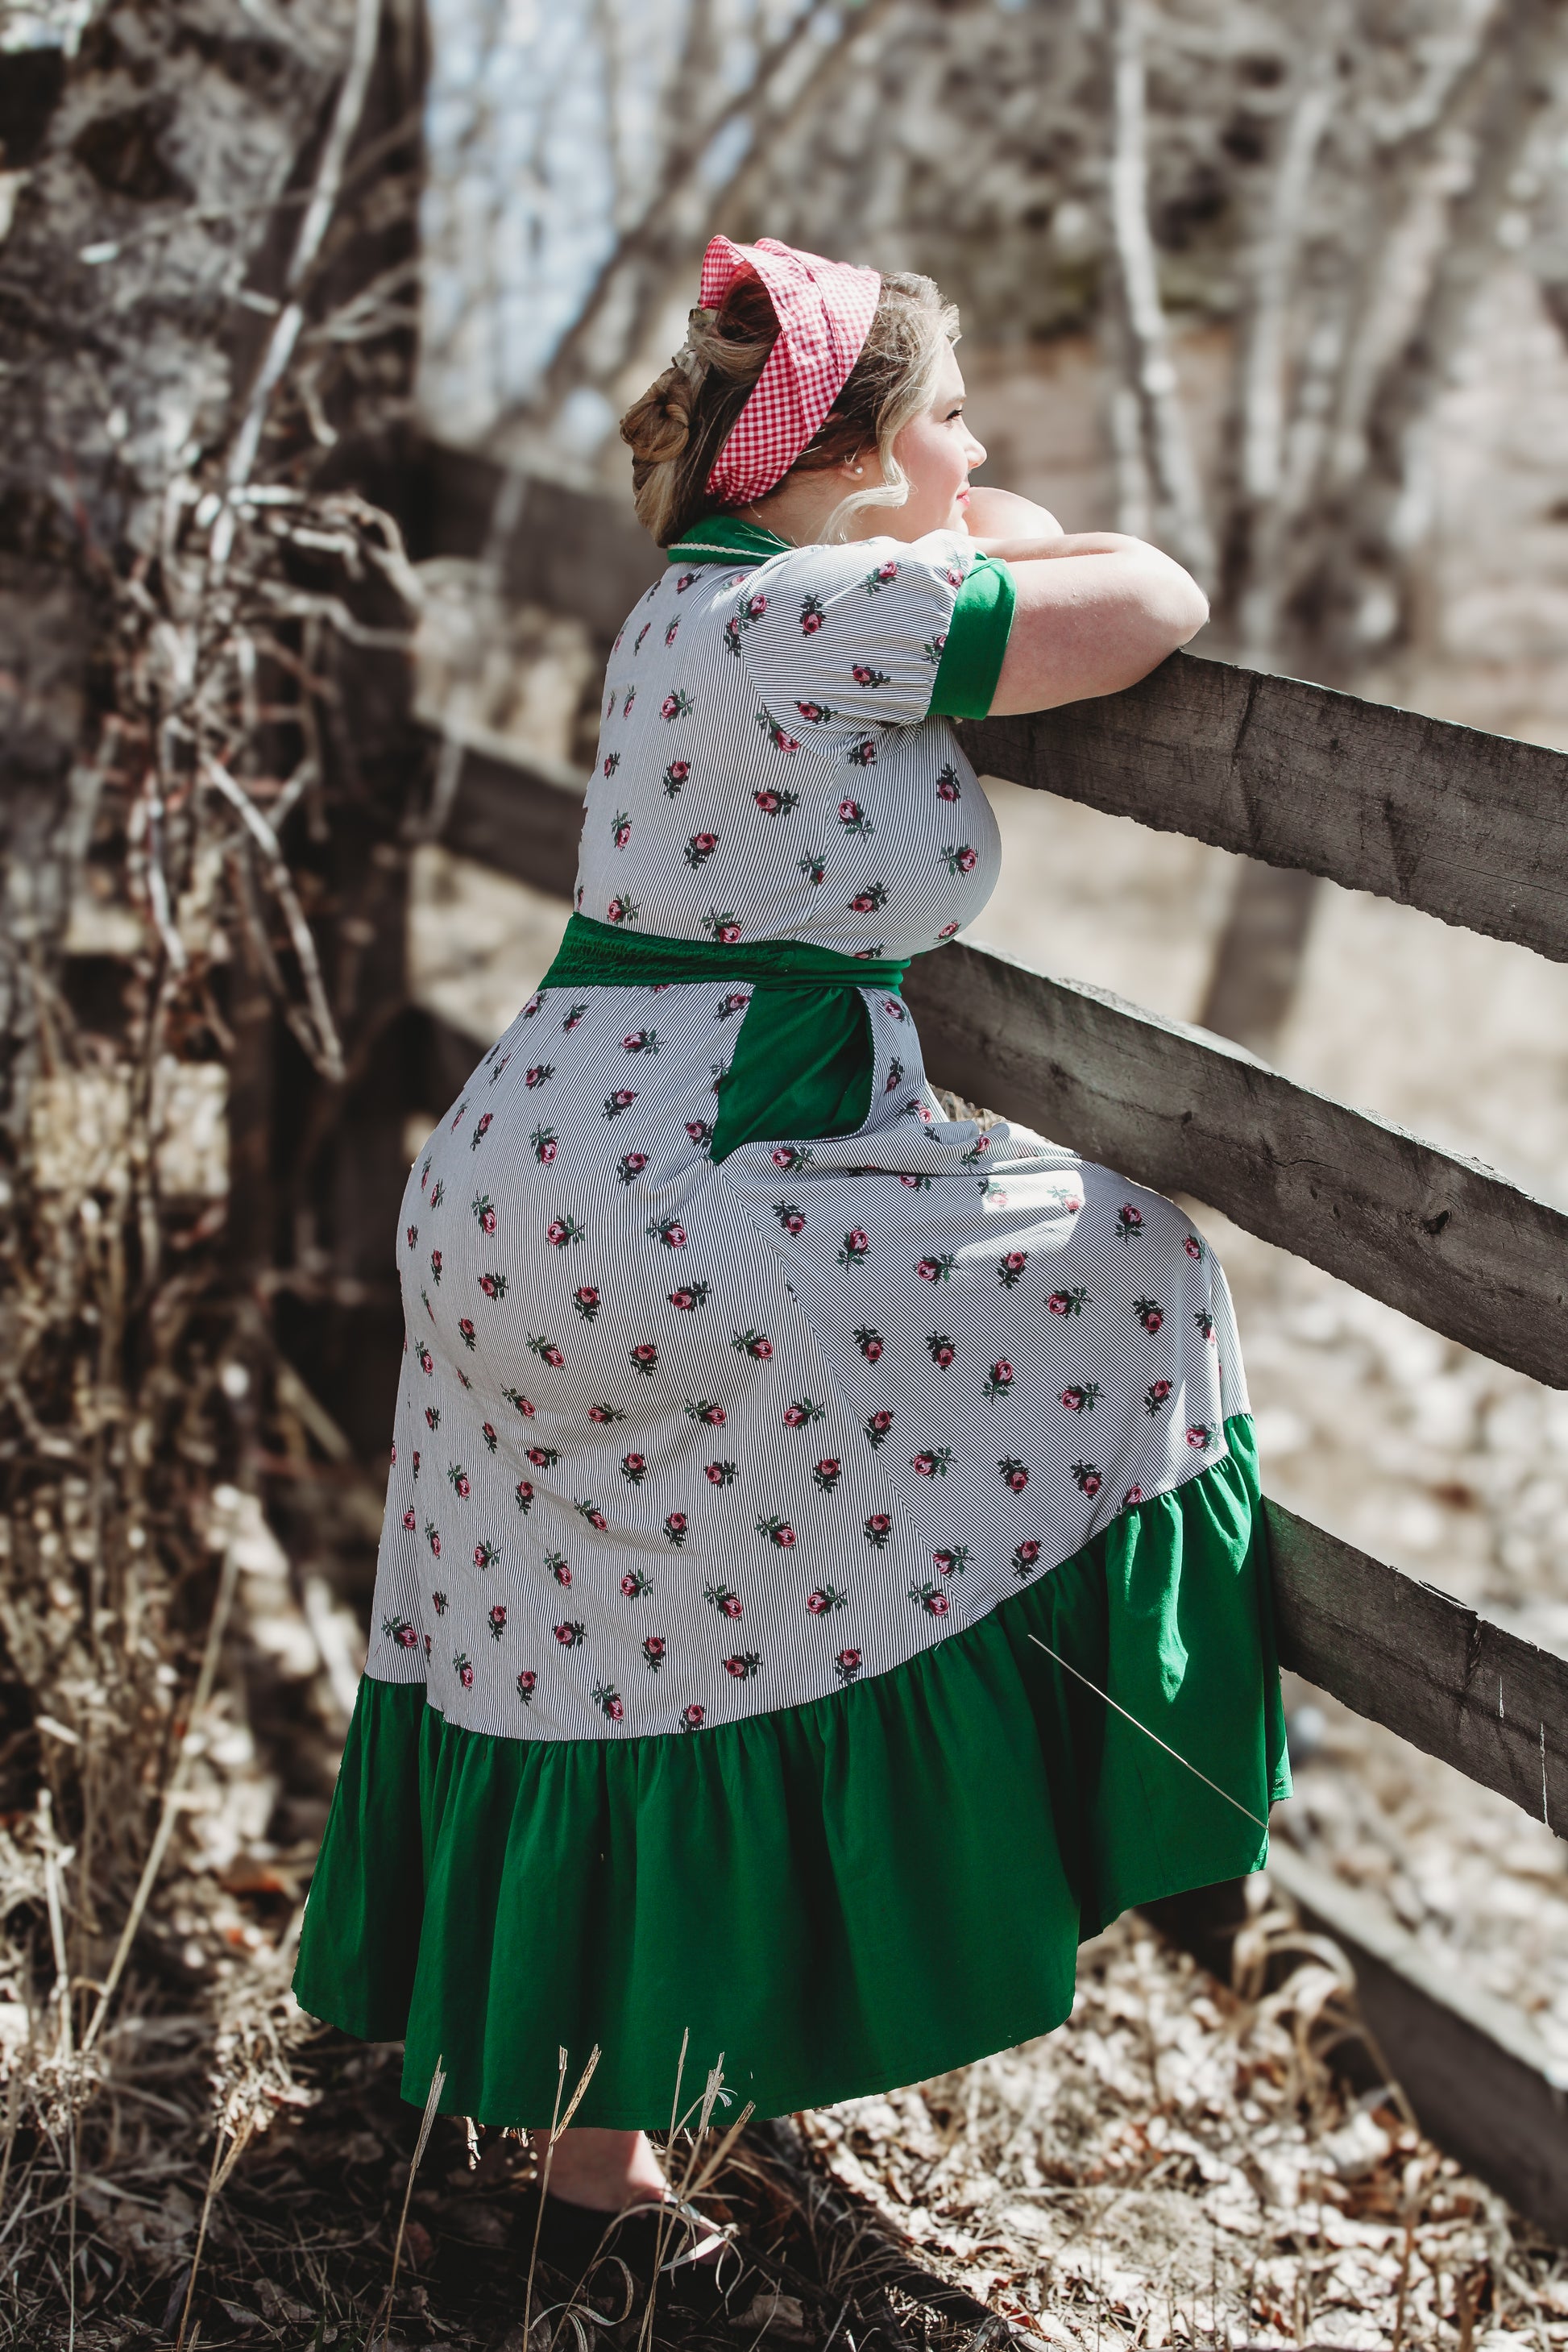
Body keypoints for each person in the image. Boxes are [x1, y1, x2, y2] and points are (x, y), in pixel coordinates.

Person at [294, 235, 1288, 2289]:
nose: (982, 448)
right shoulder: (837, 608)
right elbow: (1155, 599)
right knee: (1135, 1273)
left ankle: (584, 2183)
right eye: (945, 416)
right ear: (843, 456)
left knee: (587, 1631)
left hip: (531, 1162)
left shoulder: (708, 600)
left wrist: (932, 497)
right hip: (691, 1165)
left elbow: (990, 547)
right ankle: (1113, 1797)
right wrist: (966, 526)